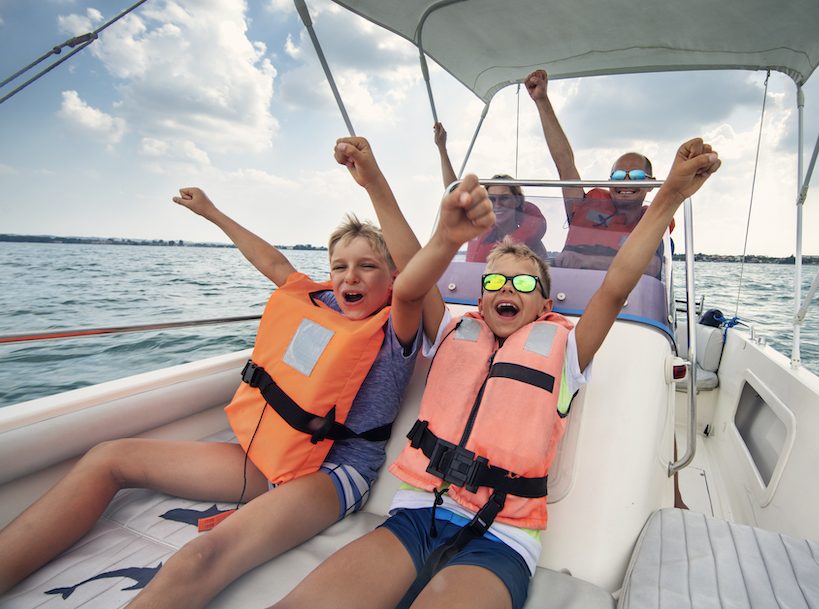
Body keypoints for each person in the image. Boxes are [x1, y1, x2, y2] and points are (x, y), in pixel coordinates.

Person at [268, 137, 720, 609]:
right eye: (494, 281)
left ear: (545, 305)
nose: (507, 287)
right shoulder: (449, 329)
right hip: (415, 516)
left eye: (523, 282)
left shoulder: (566, 351)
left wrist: (668, 195)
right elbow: (408, 264)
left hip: (501, 538)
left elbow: (616, 285)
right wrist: (374, 182)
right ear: (481, 300)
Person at [0, 141, 435, 608]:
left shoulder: (397, 325)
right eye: (340, 267)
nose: (350, 278)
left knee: (198, 557)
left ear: (391, 279)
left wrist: (372, 181)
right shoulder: (322, 303)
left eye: (368, 266)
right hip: (275, 455)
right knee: (108, 457)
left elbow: (416, 276)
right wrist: (211, 212)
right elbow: (272, 262)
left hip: (334, 472)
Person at [524, 69, 674, 277]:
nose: (626, 183)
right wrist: (541, 100)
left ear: (651, 184)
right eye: (619, 176)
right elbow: (564, 162)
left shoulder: (653, 221)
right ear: (610, 182)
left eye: (637, 176)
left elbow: (652, 267)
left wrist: (586, 261)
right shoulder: (584, 206)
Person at [434, 122, 548, 261]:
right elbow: (453, 191)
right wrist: (442, 148)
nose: (498, 204)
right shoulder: (479, 226)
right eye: (492, 199)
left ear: (517, 201)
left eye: (504, 198)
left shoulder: (533, 245)